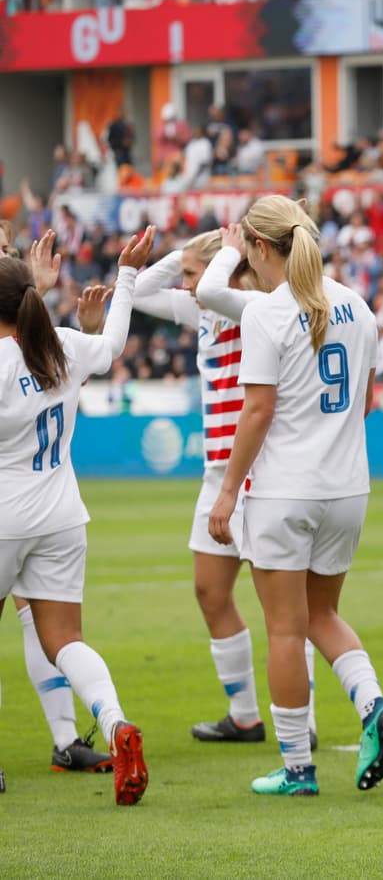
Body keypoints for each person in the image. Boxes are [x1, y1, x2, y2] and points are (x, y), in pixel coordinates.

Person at [207, 195, 383, 796]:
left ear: (260, 248)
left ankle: (297, 769)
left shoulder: (268, 312)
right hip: (347, 490)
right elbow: (366, 402)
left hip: (285, 492)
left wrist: (226, 493)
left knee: (287, 630)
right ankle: (373, 705)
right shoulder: (357, 306)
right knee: (323, 615)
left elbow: (258, 411)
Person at [132, 229, 319, 746]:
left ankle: (301, 721)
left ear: (229, 268)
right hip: (217, 473)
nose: (187, 286)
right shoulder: (206, 310)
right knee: (210, 592)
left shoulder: (254, 306)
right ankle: (244, 716)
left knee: (285, 607)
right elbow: (141, 292)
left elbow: (212, 289)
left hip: (260, 474)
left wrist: (224, 256)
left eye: (193, 275)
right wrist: (182, 255)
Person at [0, 225, 157, 806]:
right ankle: (116, 726)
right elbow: (113, 342)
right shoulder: (61, 345)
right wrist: (129, 273)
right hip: (62, 515)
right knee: (65, 640)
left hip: (3, 517)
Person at [0, 226, 114, 776]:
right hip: (56, 510)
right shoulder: (47, 334)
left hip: (12, 509)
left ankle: (67, 739)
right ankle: (95, 729)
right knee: (55, 633)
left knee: (35, 624)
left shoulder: (32, 335)